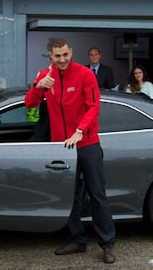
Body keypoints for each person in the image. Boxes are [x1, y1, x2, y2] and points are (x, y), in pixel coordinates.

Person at [24, 38, 116, 264]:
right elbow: (29, 104)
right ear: (50, 56)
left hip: (87, 144)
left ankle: (107, 244)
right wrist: (39, 87)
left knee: (97, 194)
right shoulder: (45, 75)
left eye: (65, 54)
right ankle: (77, 240)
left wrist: (79, 131)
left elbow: (94, 107)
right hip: (62, 148)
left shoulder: (85, 74)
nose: (62, 59)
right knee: (70, 196)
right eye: (57, 56)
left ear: (71, 52)